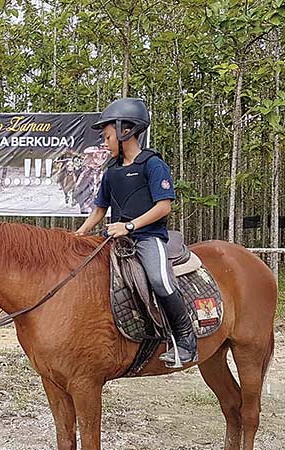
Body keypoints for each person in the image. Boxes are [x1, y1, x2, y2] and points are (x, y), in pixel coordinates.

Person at [75, 97, 197, 366]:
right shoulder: (112, 171)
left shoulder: (153, 164)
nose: (105, 144)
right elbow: (99, 208)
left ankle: (186, 340)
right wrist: (81, 233)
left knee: (159, 280)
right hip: (115, 238)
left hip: (146, 237)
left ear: (125, 131)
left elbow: (163, 206)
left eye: (107, 137)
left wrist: (129, 226)